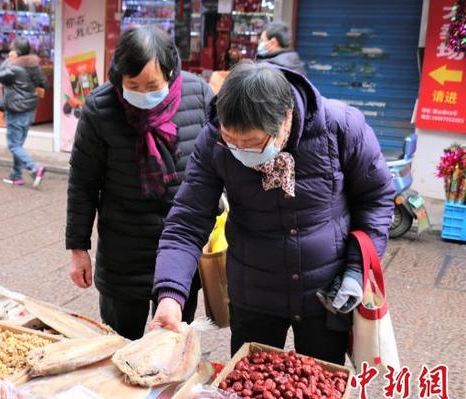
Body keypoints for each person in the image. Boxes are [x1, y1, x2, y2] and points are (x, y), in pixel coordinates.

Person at [150, 62, 394, 365]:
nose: (241, 152)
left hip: (327, 293)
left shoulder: (341, 127)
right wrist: (170, 296)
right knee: (250, 390)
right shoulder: (213, 141)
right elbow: (187, 220)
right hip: (253, 291)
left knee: (318, 388)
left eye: (252, 143)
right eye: (232, 141)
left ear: (286, 118)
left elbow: (377, 198)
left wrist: (357, 270)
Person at [65, 26, 213, 340]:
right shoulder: (101, 108)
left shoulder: (198, 95)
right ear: (118, 76)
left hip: (181, 247)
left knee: (172, 341)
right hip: (124, 251)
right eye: (133, 85)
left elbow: (218, 165)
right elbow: (83, 182)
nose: (144, 95)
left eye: (152, 85)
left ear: (171, 74)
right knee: (121, 344)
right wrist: (78, 248)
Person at [0, 37, 48, 188]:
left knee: (13, 145)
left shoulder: (12, 68)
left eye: (12, 50)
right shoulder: (34, 65)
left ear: (16, 52)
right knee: (19, 144)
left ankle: (35, 168)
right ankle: (16, 176)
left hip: (16, 110)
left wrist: (7, 61)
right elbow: (44, 83)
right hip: (30, 110)